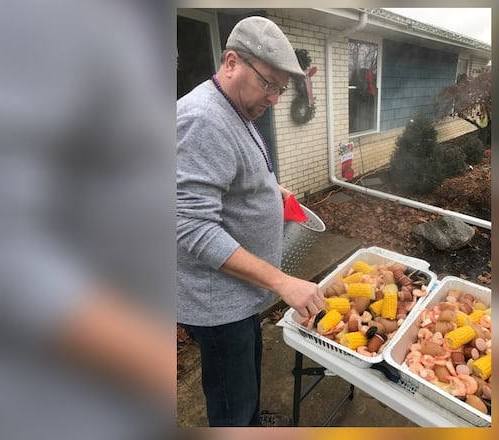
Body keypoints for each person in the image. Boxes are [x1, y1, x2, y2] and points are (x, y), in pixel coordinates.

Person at [176, 16, 326, 427]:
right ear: (230, 62)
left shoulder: (235, 110)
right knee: (230, 394)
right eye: (269, 83)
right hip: (219, 303)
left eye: (281, 88)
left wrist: (267, 189)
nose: (275, 98)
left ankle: (250, 422)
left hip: (243, 294)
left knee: (247, 373)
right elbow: (192, 230)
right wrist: (282, 281)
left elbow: (227, 175)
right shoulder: (202, 119)